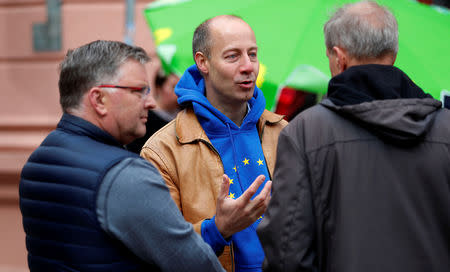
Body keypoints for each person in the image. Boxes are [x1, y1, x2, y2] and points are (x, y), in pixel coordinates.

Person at [257, 1, 450, 271]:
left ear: (339, 57)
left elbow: (287, 251)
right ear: (393, 55)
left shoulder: (305, 131)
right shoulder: (445, 128)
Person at [19, 40, 224, 272]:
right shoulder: (126, 176)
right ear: (99, 100)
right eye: (138, 91)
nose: (150, 102)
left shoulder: (39, 159)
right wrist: (219, 230)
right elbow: (194, 264)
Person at [141, 15, 287, 271]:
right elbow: (159, 249)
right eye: (232, 56)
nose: (248, 66)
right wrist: (218, 229)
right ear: (202, 62)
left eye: (252, 54)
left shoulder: (283, 132)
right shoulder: (163, 150)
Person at [126, 70, 180, 154]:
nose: (178, 92)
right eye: (174, 86)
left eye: (181, 86)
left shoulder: (185, 115)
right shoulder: (146, 119)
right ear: (159, 88)